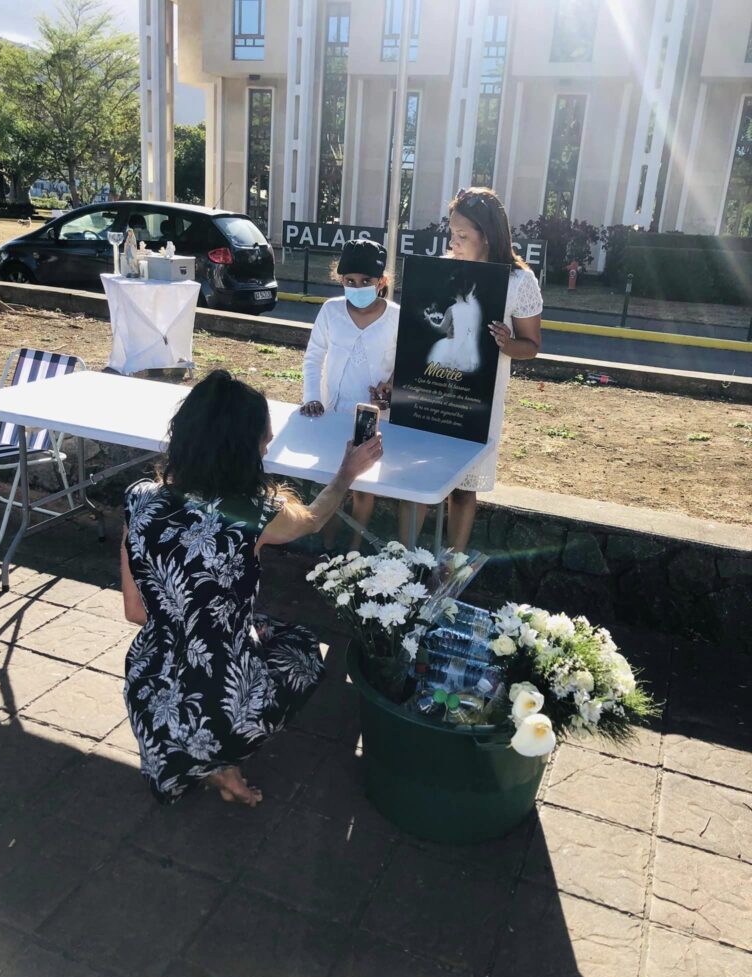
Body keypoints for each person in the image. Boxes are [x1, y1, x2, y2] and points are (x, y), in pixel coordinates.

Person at [120, 369, 382, 806]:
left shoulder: (139, 498)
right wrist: (346, 473)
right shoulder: (258, 514)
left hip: (150, 692)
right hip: (227, 707)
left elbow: (136, 611)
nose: (267, 447)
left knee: (221, 632)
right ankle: (225, 756)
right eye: (265, 440)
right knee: (298, 649)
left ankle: (208, 761)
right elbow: (315, 517)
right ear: (243, 449)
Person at [399, 186, 543, 550]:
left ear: (488, 235)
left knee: (463, 487)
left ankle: (452, 566)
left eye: (463, 235)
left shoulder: (519, 281)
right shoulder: (439, 271)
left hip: (476, 401)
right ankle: (400, 567)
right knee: (418, 477)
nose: (455, 242)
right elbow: (416, 336)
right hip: (429, 391)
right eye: (452, 234)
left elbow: (532, 346)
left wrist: (508, 345)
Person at [299, 238, 399, 550]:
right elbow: (314, 356)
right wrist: (312, 397)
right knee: (332, 480)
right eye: (350, 281)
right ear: (340, 280)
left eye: (366, 281)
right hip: (330, 410)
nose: (357, 287)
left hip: (371, 417)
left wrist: (390, 389)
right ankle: (327, 549)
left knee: (364, 487)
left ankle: (354, 551)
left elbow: (405, 363)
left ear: (381, 282)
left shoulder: (397, 317)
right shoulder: (331, 311)